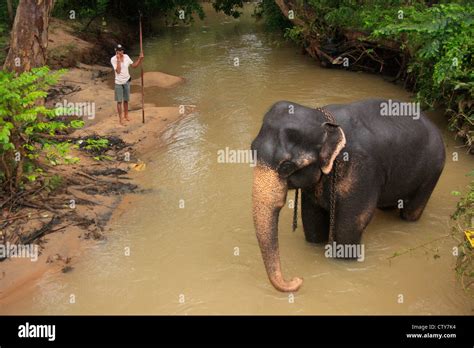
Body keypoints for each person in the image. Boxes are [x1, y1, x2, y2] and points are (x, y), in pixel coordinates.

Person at [110, 44, 144, 126]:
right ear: (116, 51)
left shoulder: (126, 57)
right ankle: (120, 119)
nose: (120, 52)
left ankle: (126, 115)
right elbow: (118, 71)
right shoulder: (113, 59)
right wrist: (118, 60)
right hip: (118, 82)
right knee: (119, 101)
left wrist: (140, 59)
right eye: (118, 50)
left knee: (126, 100)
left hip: (127, 81)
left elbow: (134, 66)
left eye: (121, 50)